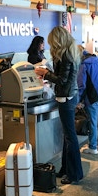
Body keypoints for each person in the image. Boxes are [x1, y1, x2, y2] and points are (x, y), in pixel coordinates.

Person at [34, 26, 83, 184]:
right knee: (67, 137)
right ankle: (66, 169)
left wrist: (45, 73)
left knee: (70, 137)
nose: (51, 46)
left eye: (52, 43)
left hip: (66, 98)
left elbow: (62, 80)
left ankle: (75, 174)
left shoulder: (65, 56)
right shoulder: (72, 52)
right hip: (70, 96)